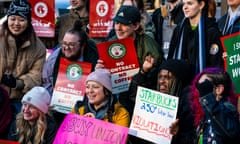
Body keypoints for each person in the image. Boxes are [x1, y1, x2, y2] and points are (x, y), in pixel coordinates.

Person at [96, 5, 165, 111]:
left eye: (124, 24)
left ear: (136, 26)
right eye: (117, 23)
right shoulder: (110, 43)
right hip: (116, 103)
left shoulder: (149, 46)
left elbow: (156, 83)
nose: (118, 28)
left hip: (140, 104)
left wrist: (145, 71)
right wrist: (99, 73)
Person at [42, 20, 98, 127]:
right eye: (64, 43)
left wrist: (99, 73)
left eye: (71, 45)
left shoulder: (94, 57)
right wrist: (48, 101)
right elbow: (46, 82)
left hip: (86, 111)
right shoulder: (55, 57)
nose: (66, 48)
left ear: (82, 45)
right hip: (59, 108)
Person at [127, 58, 195, 143]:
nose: (161, 81)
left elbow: (190, 137)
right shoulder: (153, 97)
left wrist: (177, 134)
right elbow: (133, 98)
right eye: (160, 77)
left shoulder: (188, 105)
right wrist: (142, 72)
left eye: (167, 77)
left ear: (179, 81)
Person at [0, 0, 46, 116]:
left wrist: (17, 83)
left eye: (21, 20)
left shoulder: (39, 47)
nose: (16, 23)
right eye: (13, 19)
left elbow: (36, 76)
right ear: (7, 19)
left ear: (28, 21)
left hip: (20, 98)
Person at [170, 67, 240, 144]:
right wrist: (180, 133)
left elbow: (230, 132)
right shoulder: (205, 115)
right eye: (198, 86)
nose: (199, 91)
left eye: (204, 86)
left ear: (219, 89)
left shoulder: (228, 109)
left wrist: (208, 99)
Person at [167, 0, 224, 75]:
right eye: (184, 4)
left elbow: (216, 67)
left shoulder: (212, 32)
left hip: (202, 83)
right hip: (181, 84)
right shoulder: (179, 30)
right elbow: (170, 59)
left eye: (190, 3)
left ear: (201, 5)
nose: (185, 7)